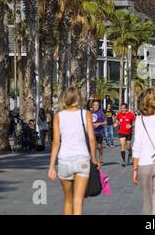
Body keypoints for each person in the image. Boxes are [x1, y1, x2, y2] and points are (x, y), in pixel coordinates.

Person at [48, 87, 99, 215]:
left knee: (68, 201)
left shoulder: (58, 116)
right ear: (78, 98)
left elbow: (56, 143)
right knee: (78, 201)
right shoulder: (85, 114)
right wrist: (94, 158)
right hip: (82, 159)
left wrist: (51, 167)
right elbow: (92, 139)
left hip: (64, 160)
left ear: (65, 98)